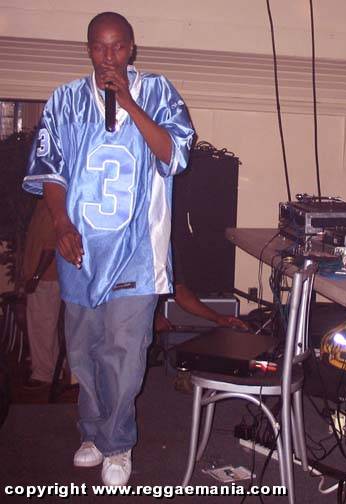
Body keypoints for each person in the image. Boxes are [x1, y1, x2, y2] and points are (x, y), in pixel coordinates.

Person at [22, 12, 195, 486]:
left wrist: (129, 103)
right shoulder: (64, 100)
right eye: (99, 47)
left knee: (124, 349)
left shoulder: (158, 91)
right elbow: (51, 171)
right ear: (88, 50)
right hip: (80, 248)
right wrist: (61, 224)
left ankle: (118, 443)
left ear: (132, 49)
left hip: (137, 249)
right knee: (84, 350)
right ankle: (93, 432)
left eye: (118, 46)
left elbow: (175, 155)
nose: (108, 56)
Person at [21, 199, 61, 389]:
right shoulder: (42, 204)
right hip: (43, 279)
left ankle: (43, 374)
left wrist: (36, 276)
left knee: (41, 327)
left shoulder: (51, 206)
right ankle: (52, 369)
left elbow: (50, 248)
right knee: (45, 327)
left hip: (45, 279)